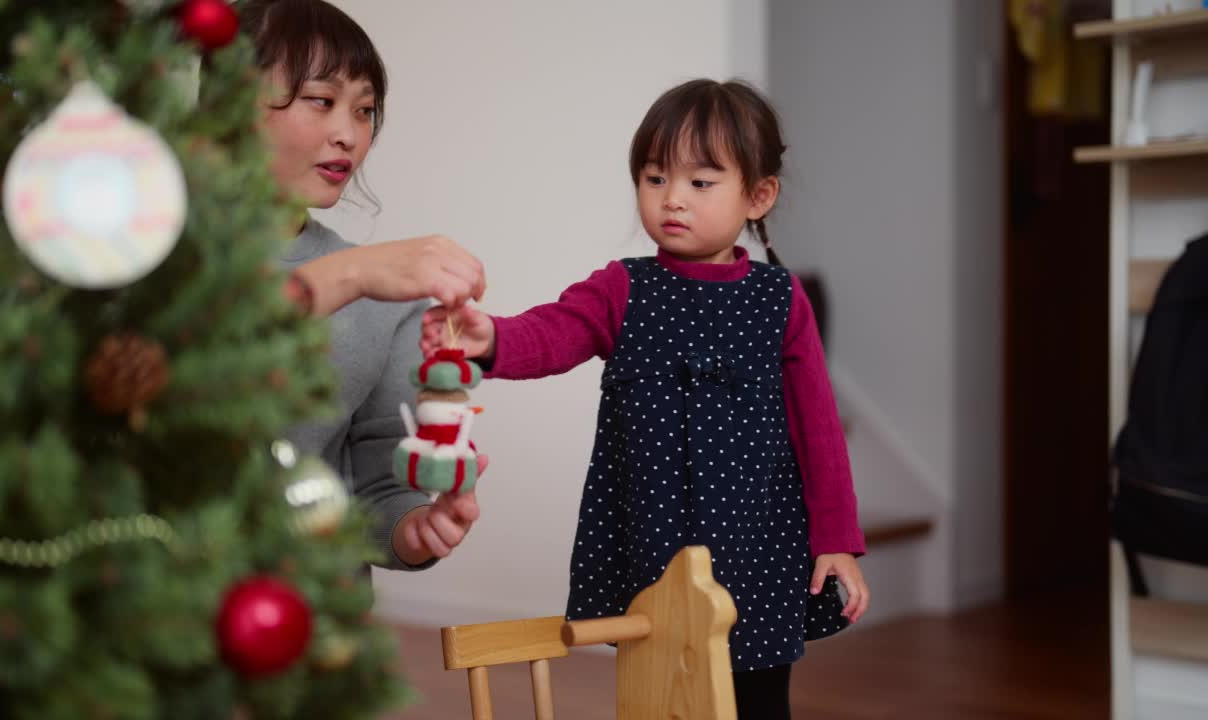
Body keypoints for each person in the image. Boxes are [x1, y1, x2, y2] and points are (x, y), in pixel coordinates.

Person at [421, 79, 869, 718]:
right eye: (655, 179)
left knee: (759, 692)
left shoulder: (779, 298)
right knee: (660, 686)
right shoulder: (624, 289)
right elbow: (555, 330)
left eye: (700, 182)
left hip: (759, 541)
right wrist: (490, 337)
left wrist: (836, 541)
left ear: (758, 195)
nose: (672, 200)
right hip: (654, 536)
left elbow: (817, 430)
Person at [240, 0, 486, 569]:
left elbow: (375, 488)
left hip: (314, 623)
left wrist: (414, 530)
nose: (349, 134)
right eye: (322, 101)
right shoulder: (153, 254)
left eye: (365, 110)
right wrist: (349, 275)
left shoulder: (387, 300)